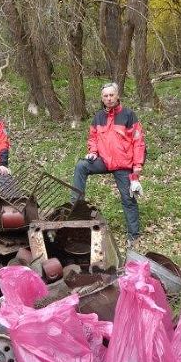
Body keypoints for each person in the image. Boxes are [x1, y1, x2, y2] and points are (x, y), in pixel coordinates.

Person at [72, 82, 146, 248]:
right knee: (81, 166)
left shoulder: (128, 115)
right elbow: (93, 138)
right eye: (105, 96)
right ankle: (76, 207)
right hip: (104, 161)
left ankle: (133, 235)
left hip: (123, 164)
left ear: (117, 96)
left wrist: (137, 168)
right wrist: (93, 151)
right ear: (102, 98)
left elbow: (138, 142)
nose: (109, 98)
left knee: (129, 198)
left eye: (111, 95)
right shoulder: (98, 117)